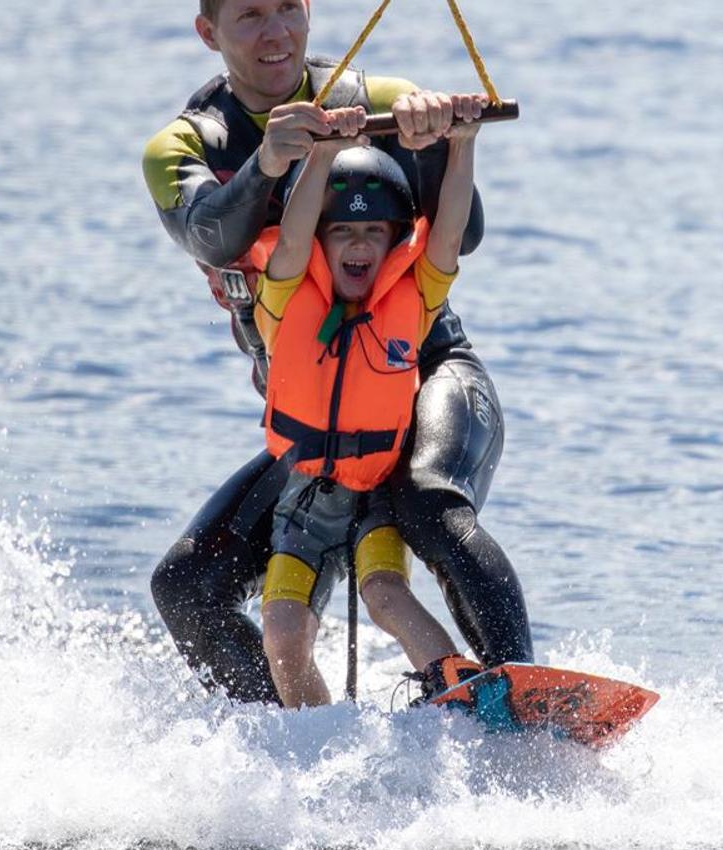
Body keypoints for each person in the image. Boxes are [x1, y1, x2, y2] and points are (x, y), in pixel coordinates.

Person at [141, 0, 532, 704]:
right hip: (320, 421)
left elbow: (462, 236)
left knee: (428, 503)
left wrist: (436, 141)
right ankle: (297, 743)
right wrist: (267, 161)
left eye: (289, 8)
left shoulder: (378, 99)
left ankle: (524, 697)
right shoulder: (182, 147)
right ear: (209, 33)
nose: (276, 33)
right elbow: (212, 237)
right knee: (185, 587)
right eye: (251, 15)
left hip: (428, 374)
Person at [252, 101, 485, 706]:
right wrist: (323, 152)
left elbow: (450, 232)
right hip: (305, 496)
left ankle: (462, 695)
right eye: (343, 232)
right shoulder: (282, 300)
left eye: (373, 233)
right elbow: (295, 233)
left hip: (378, 486)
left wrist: (461, 146)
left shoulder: (415, 297)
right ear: (320, 242)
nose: (358, 245)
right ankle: (318, 740)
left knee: (386, 596)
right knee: (281, 631)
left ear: (394, 244)